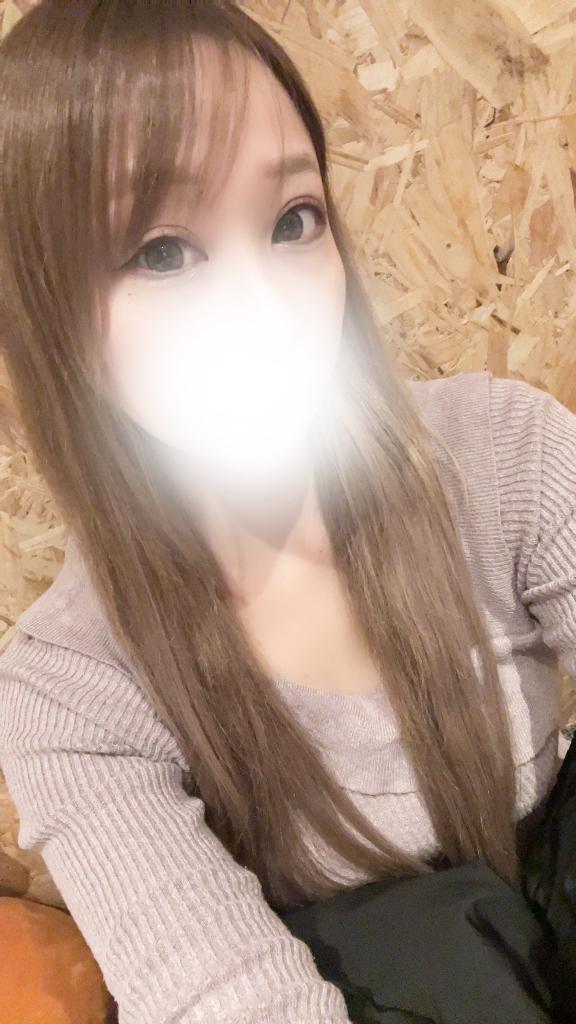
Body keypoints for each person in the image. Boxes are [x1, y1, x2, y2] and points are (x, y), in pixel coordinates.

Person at [0, 2, 574, 1022]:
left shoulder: (504, 452)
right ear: (47, 315)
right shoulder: (73, 690)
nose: (268, 313)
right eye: (162, 251)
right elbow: (230, 995)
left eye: (292, 221)